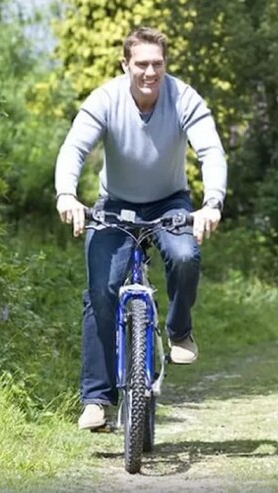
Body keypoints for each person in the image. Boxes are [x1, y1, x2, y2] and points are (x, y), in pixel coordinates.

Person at [54, 26, 228, 431]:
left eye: (158, 64)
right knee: (101, 289)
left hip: (170, 203)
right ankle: (97, 400)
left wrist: (212, 203)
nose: (151, 72)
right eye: (142, 64)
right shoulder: (106, 98)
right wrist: (66, 195)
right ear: (125, 64)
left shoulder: (183, 97)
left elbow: (211, 150)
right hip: (115, 205)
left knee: (186, 256)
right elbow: (74, 148)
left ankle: (179, 331)